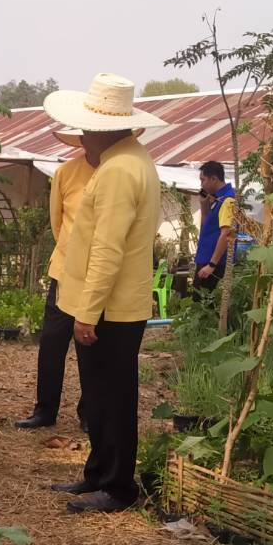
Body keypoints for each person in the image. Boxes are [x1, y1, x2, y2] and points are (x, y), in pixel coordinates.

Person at [43, 74, 166, 513]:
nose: (81, 139)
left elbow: (107, 249)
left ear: (101, 129)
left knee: (112, 398)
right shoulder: (131, 160)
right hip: (111, 306)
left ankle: (116, 487)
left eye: (85, 129)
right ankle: (99, 474)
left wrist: (88, 312)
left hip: (109, 309)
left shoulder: (118, 170)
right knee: (100, 395)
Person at [16, 128, 95, 430]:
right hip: (64, 273)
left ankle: (88, 412)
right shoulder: (66, 172)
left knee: (89, 346)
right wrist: (73, 257)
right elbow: (57, 221)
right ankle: (45, 409)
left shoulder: (115, 172)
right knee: (51, 343)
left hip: (99, 278)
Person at [193, 160, 237, 288]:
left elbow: (226, 234)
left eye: (203, 180)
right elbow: (205, 227)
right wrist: (204, 205)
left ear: (214, 179)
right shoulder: (217, 199)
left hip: (214, 265)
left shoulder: (227, 200)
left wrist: (212, 265)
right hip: (205, 260)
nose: (201, 184)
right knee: (197, 302)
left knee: (205, 305)